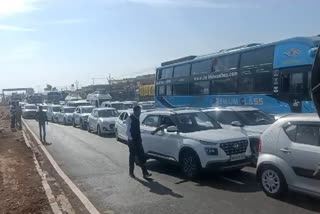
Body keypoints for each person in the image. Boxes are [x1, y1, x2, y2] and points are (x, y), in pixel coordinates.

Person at [126, 105, 152, 179]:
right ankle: (131, 172)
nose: (140, 112)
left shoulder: (138, 118)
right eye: (139, 111)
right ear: (135, 111)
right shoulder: (130, 119)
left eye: (140, 111)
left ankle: (145, 173)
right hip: (132, 141)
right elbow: (127, 131)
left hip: (138, 140)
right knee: (132, 157)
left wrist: (139, 139)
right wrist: (131, 140)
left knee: (142, 157)